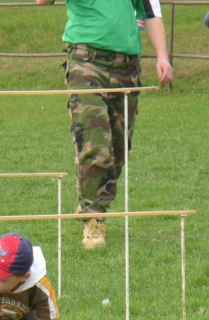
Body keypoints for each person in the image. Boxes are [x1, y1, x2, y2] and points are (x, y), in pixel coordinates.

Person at [36, 0, 173, 250]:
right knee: (93, 142)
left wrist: (163, 57)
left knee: (117, 151)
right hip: (86, 61)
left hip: (127, 66)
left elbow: (152, 13)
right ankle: (92, 218)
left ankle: (98, 205)